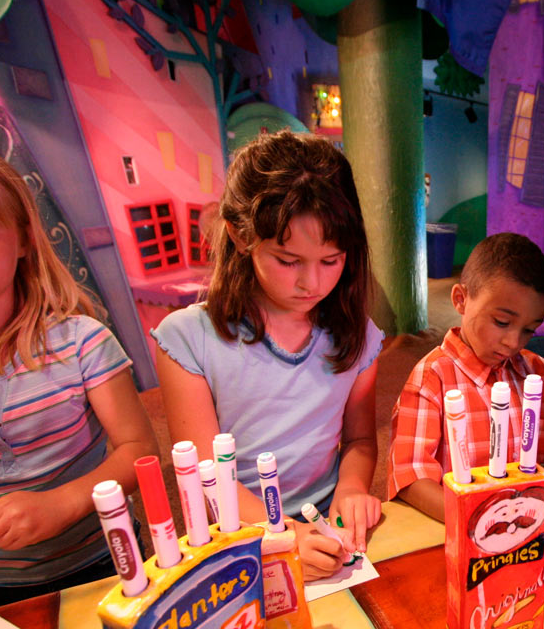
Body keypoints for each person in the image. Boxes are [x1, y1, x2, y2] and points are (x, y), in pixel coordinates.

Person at [0, 127, 158, 608]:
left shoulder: (83, 342)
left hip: (106, 557)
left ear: (24, 239)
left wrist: (63, 503)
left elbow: (139, 451)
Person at [153, 130, 382, 578]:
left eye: (331, 260)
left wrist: (352, 489)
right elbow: (205, 476)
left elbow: (359, 441)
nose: (310, 284)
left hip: (326, 527)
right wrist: (276, 533)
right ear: (240, 237)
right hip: (237, 537)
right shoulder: (188, 341)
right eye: (288, 259)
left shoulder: (358, 336)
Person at [389, 232, 544, 537]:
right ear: (460, 300)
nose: (512, 342)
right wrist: (475, 521)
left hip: (533, 524)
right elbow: (411, 476)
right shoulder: (431, 379)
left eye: (528, 330)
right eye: (502, 323)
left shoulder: (537, 370)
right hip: (462, 531)